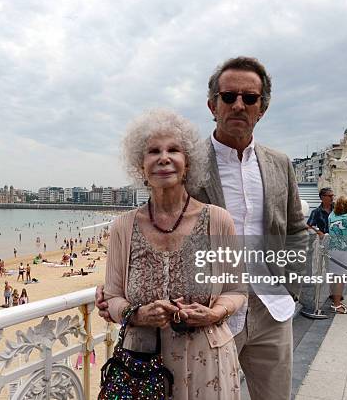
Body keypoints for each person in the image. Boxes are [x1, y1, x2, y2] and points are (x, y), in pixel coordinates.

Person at [101, 108, 246, 399]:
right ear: (141, 167)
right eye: (153, 151)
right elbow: (112, 295)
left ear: (188, 163)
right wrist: (137, 314)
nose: (163, 157)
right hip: (139, 365)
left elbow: (237, 290)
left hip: (207, 364)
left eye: (174, 150)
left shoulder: (218, 220)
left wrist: (213, 313)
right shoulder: (123, 227)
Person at [327, 196, 347, 313]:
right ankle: (337, 304)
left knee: (334, 276)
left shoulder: (331, 215)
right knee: (341, 277)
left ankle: (335, 300)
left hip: (332, 248)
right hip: (344, 249)